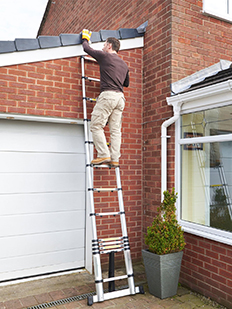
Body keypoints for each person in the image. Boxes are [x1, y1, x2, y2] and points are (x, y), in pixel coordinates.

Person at [82, 29, 129, 167]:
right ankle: (115, 158)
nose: (102, 47)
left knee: (96, 125)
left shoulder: (105, 56)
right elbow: (126, 83)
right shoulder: (124, 65)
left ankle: (103, 154)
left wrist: (85, 37)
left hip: (108, 95)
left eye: (104, 45)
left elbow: (86, 48)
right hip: (120, 99)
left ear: (109, 46)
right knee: (115, 130)